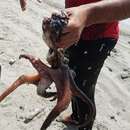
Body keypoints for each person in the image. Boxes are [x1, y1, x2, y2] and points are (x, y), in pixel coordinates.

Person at [56, 0, 130, 130]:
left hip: (100, 37)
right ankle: (77, 117)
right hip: (73, 29)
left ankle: (85, 126)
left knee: (83, 87)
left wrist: (87, 14)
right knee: (72, 77)